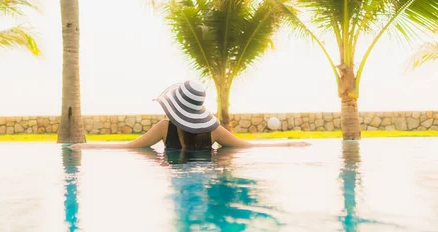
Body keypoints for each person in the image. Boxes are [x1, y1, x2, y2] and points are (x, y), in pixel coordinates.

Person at [71, 80, 310, 150]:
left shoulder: (165, 127)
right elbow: (247, 146)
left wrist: (84, 148)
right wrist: (288, 144)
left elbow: (130, 147)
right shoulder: (213, 131)